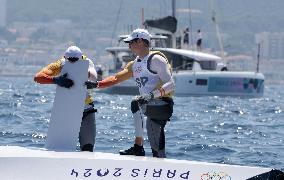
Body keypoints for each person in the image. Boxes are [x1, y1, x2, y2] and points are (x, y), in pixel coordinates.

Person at [86, 28, 175, 158]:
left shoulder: (156, 59)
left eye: (131, 42)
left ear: (140, 41)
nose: (128, 46)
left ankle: (138, 148)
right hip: (149, 104)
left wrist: (150, 96)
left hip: (162, 104)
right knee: (157, 148)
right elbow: (116, 78)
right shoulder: (134, 64)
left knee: (136, 103)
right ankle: (155, 160)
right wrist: (97, 84)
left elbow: (171, 84)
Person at [34, 45, 97, 152]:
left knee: (87, 149)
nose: (73, 62)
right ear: (65, 57)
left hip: (86, 111)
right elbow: (38, 77)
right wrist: (55, 80)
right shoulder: (60, 63)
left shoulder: (87, 62)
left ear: (81, 57)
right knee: (60, 148)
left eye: (76, 60)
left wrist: (83, 74)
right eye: (70, 60)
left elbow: (94, 76)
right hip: (66, 111)